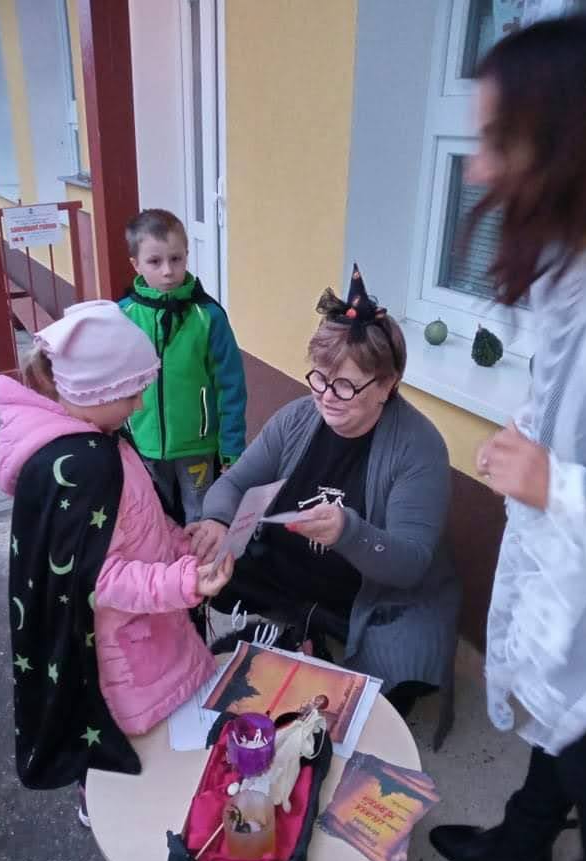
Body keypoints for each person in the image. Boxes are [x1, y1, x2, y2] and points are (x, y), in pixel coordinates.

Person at [427, 16, 586, 861]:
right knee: (559, 714)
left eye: (498, 140)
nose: (477, 171)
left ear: (569, 139)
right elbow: (584, 404)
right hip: (579, 571)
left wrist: (553, 481)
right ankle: (527, 838)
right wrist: (536, 442)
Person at [187, 265, 460, 743]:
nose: (327, 397)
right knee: (207, 576)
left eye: (346, 385)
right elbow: (236, 483)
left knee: (370, 707)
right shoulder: (298, 416)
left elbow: (411, 564)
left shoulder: (419, 448)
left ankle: (316, 641)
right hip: (293, 573)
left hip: (375, 595)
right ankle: (303, 634)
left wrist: (348, 532)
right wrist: (216, 519)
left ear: (387, 384)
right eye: (320, 378)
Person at [0, 300, 233, 826]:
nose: (141, 403)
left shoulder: (96, 441)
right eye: (130, 393)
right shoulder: (82, 465)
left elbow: (133, 523)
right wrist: (185, 580)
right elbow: (97, 579)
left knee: (158, 732)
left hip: (146, 631)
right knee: (119, 740)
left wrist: (178, 542)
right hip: (120, 651)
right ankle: (98, 802)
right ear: (92, 393)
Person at [120, 208, 247, 523]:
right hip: (143, 442)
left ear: (187, 255)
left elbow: (230, 386)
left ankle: (201, 557)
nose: (168, 271)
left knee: (201, 516)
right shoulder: (121, 317)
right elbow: (109, 382)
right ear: (135, 264)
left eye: (176, 259)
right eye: (155, 261)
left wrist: (232, 448)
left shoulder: (209, 316)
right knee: (152, 516)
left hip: (197, 444)